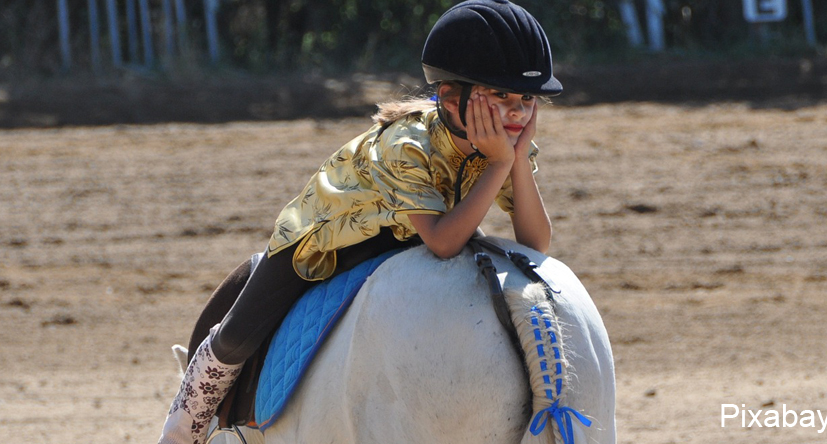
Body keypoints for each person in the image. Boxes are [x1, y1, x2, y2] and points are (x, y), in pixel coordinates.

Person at [158, 1, 562, 442]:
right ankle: (181, 432)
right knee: (235, 339)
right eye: (501, 96)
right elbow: (443, 244)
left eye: (527, 99)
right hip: (324, 240)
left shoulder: (504, 147)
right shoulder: (406, 143)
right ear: (449, 97)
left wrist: (516, 160)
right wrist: (501, 164)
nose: (519, 111)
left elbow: (535, 242)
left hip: (413, 233)